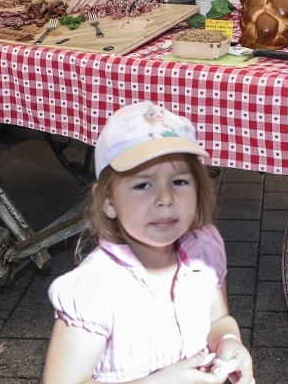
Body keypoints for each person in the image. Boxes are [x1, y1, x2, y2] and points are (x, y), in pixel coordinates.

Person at [43, 102, 254, 384]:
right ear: (107, 201)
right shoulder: (96, 290)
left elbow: (218, 320)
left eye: (179, 181)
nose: (165, 198)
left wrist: (228, 342)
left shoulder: (203, 252)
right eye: (143, 184)